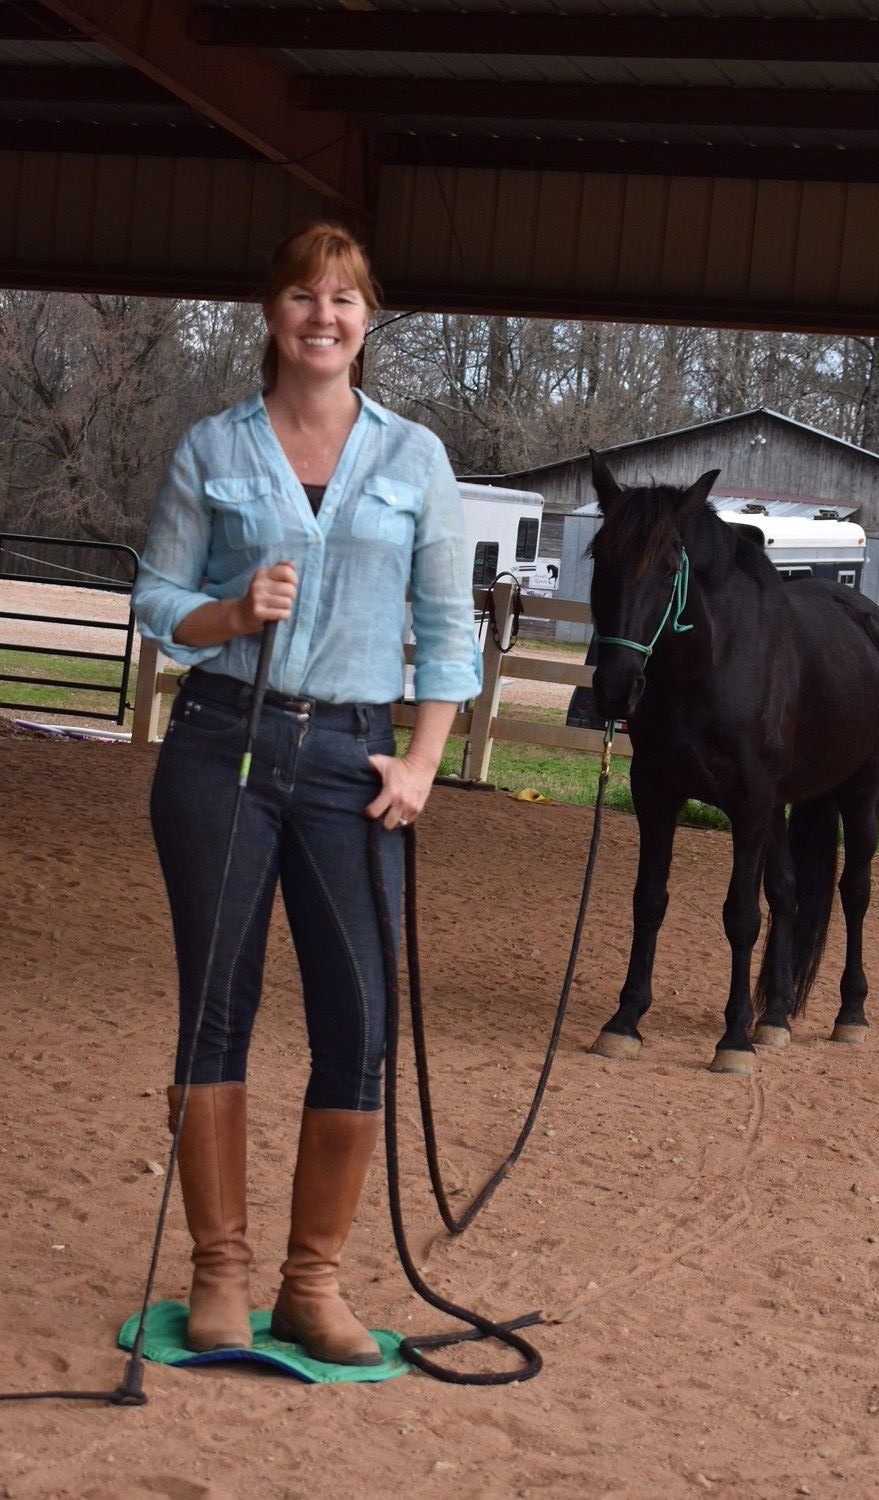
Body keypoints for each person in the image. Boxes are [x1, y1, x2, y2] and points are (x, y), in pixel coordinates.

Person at [131, 222, 482, 1366]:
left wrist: (423, 761)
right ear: (270, 314)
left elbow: (445, 629)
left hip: (350, 757)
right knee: (217, 1006)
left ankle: (312, 1282)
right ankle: (219, 1272)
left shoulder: (415, 458)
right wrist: (229, 615)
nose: (321, 317)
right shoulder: (212, 448)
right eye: (300, 296)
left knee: (358, 1021)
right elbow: (156, 597)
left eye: (342, 299)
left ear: (366, 319)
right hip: (220, 744)